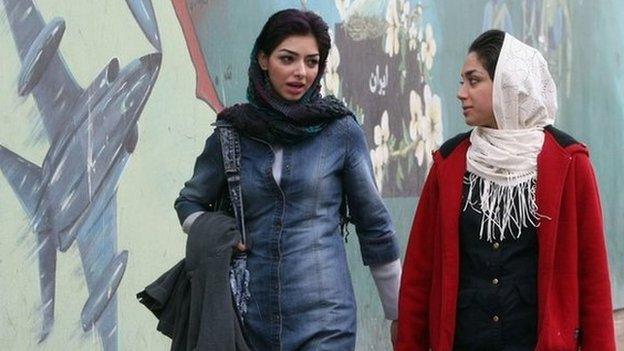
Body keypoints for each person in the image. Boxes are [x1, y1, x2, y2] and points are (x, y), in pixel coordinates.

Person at [174, 9, 402, 350]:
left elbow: (375, 225)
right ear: (263, 59)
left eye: (312, 62)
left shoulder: (340, 131)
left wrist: (398, 314)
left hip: (326, 321)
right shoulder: (233, 132)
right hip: (250, 318)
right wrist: (220, 232)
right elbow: (189, 202)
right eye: (288, 59)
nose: (301, 72)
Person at [396, 29, 616, 350]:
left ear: (507, 84)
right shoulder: (450, 163)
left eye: (474, 80)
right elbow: (419, 274)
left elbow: (593, 279)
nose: (461, 93)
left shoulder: (568, 162)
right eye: (462, 82)